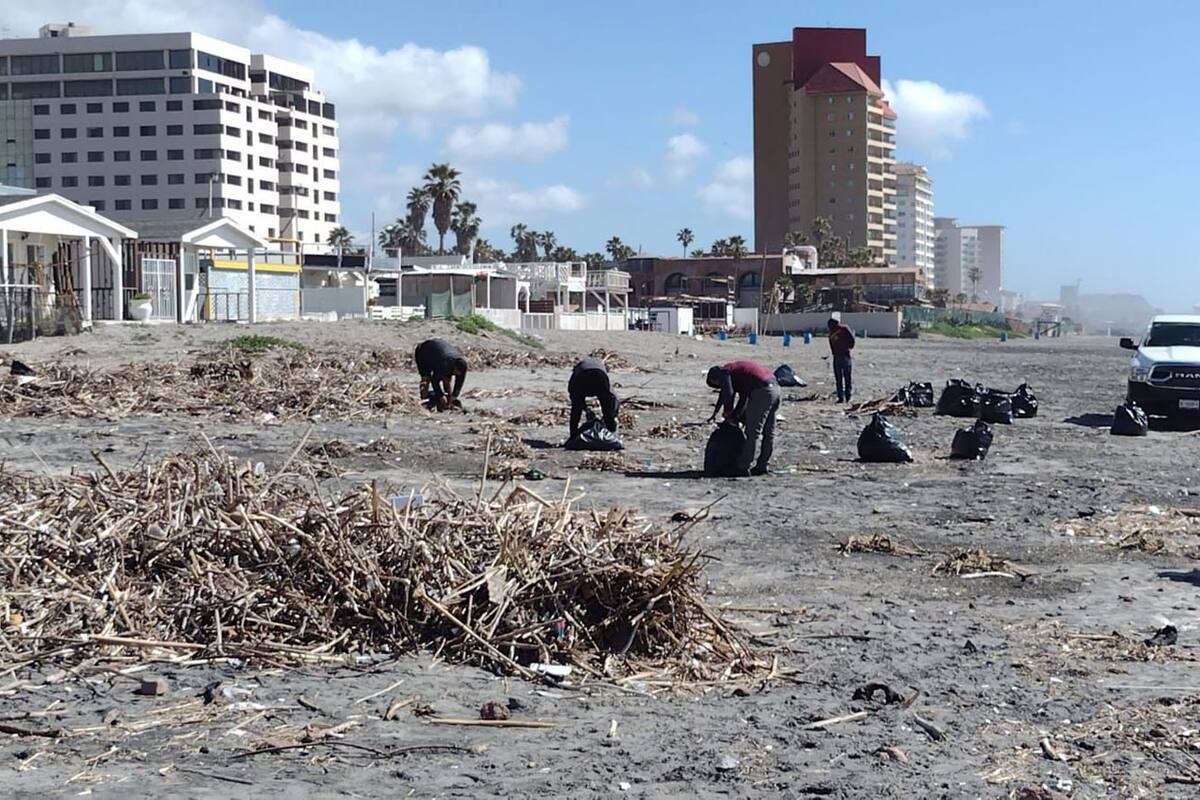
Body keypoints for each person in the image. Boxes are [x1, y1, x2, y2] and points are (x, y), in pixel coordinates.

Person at [705, 360, 780, 476]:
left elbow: (728, 392)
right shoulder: (739, 375)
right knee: (768, 432)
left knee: (753, 432)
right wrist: (730, 415)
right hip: (775, 389)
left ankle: (743, 466)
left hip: (762, 391)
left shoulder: (724, 372)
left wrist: (728, 412)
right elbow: (742, 398)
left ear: (715, 378)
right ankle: (762, 465)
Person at [568, 356, 619, 440]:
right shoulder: (601, 368)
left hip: (581, 378)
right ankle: (611, 434)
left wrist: (584, 408)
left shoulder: (579, 367)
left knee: (576, 410)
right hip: (599, 378)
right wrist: (613, 413)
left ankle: (573, 435)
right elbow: (613, 397)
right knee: (607, 410)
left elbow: (572, 392)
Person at [414, 338, 468, 411]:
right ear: (455, 368)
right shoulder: (444, 364)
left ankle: (448, 403)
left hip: (440, 354)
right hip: (424, 352)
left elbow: (459, 383)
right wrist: (440, 395)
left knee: (447, 379)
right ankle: (424, 401)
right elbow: (434, 381)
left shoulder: (462, 367)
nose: (457, 375)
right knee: (426, 378)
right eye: (456, 372)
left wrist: (454, 396)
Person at [827, 317, 856, 403]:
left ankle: (841, 397)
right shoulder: (844, 328)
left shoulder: (833, 333)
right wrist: (849, 348)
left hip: (838, 355)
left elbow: (831, 345)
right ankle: (848, 396)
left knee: (839, 378)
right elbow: (852, 340)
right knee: (847, 377)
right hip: (844, 355)